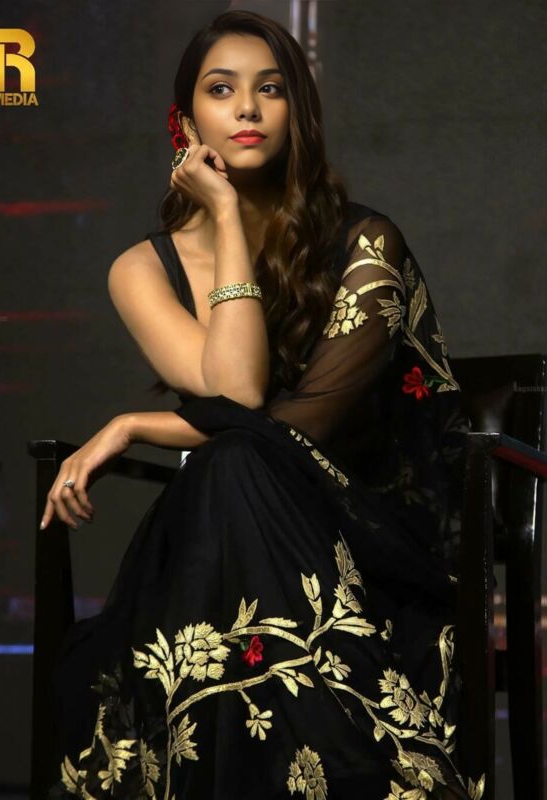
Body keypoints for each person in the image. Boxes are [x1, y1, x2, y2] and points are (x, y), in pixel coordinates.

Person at [43, 10, 485, 800]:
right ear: (185, 123)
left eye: (270, 90)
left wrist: (135, 424)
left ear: (297, 114)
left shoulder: (366, 245)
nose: (247, 108)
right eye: (221, 90)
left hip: (363, 542)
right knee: (232, 466)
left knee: (235, 461)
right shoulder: (140, 270)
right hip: (230, 534)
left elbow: (288, 422)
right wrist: (222, 217)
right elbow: (238, 389)